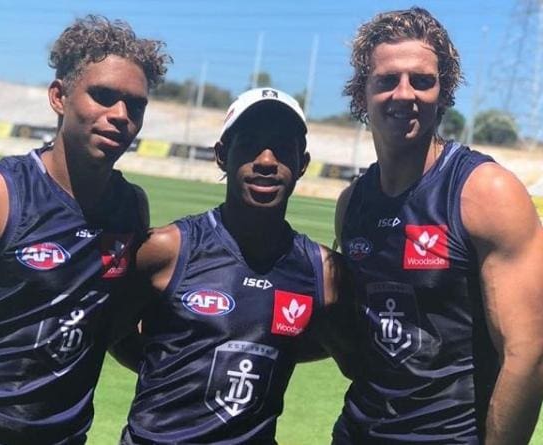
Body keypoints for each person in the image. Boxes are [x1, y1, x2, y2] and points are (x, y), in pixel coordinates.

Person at [0, 15, 169, 444]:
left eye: (135, 105)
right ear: (59, 96)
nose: (120, 116)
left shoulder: (131, 209)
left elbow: (112, 324)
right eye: (103, 96)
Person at [333, 7, 543, 445]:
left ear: (443, 91)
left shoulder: (485, 193)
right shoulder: (352, 203)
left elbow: (527, 354)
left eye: (422, 80)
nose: (404, 94)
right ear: (362, 92)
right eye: (387, 80)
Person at [112, 87, 352, 445]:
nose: (267, 161)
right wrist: (167, 363)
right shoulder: (168, 250)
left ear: (302, 163)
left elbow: (351, 354)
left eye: (283, 148)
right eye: (251, 144)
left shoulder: (322, 271)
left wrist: (275, 351)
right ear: (223, 155)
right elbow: (112, 330)